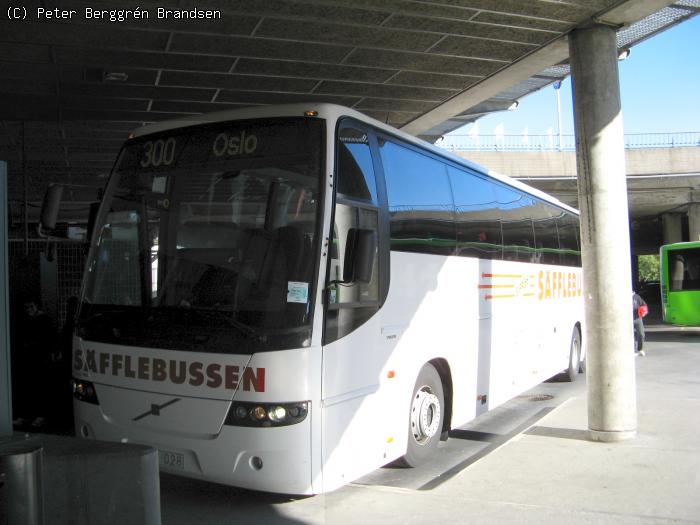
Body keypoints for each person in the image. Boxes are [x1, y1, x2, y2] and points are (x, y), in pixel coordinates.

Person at [12, 299, 57, 429]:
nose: (28, 310)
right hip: (33, 359)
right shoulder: (35, 320)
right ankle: (32, 416)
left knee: (39, 387)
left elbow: (47, 340)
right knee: (32, 387)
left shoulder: (42, 321)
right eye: (26, 307)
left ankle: (39, 416)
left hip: (39, 359)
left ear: (36, 306)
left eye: (30, 306)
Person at [633, 291, 648, 356]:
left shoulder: (637, 297)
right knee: (628, 335)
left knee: (641, 333)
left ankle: (640, 349)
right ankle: (632, 350)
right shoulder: (621, 296)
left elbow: (644, 305)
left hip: (637, 318)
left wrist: (644, 311)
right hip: (626, 319)